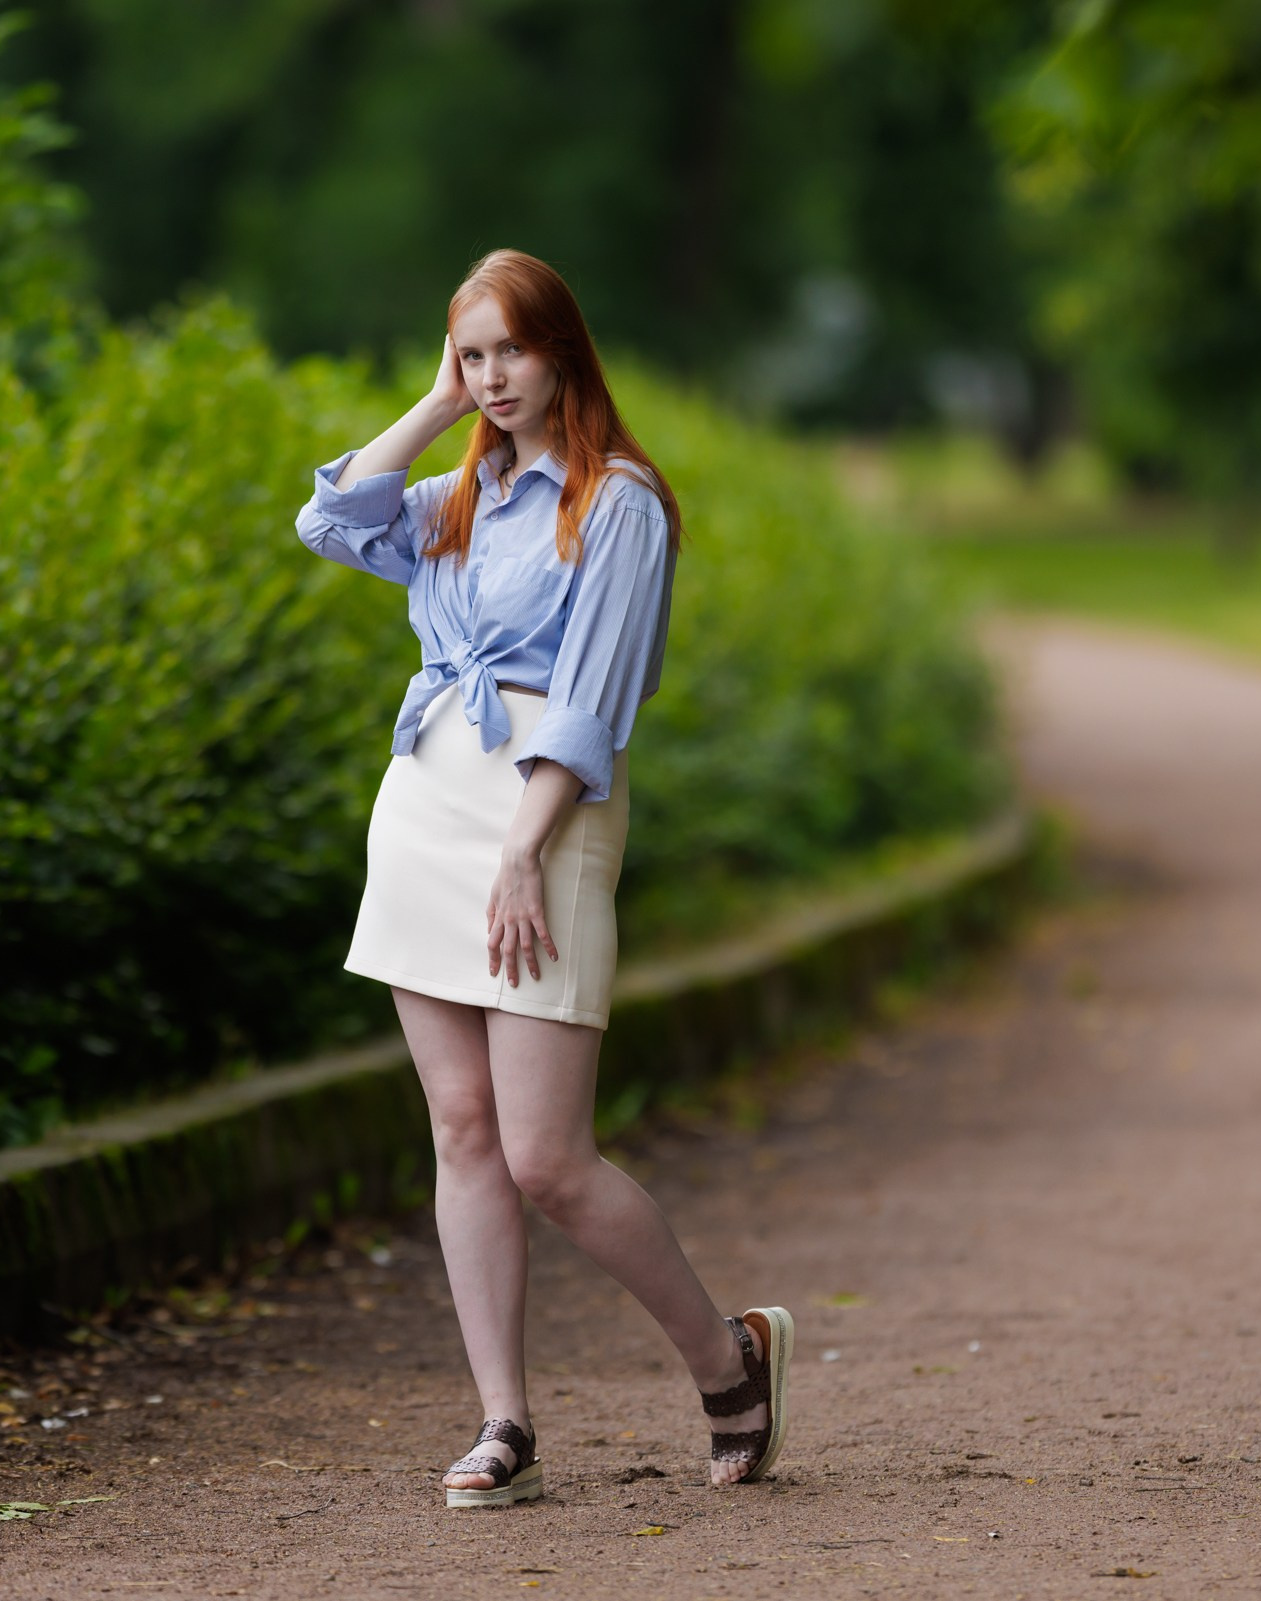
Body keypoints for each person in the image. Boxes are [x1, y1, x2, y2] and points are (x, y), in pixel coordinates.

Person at [294, 249, 793, 1510]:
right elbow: (333, 517)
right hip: (422, 813)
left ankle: (728, 1357)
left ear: (563, 347)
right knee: (459, 1130)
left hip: (542, 822)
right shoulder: (460, 495)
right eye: (473, 354)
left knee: (547, 1157)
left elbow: (591, 703)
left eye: (510, 349)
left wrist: (524, 849)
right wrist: (436, 407)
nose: (493, 375)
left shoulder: (618, 502)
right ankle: (502, 1418)